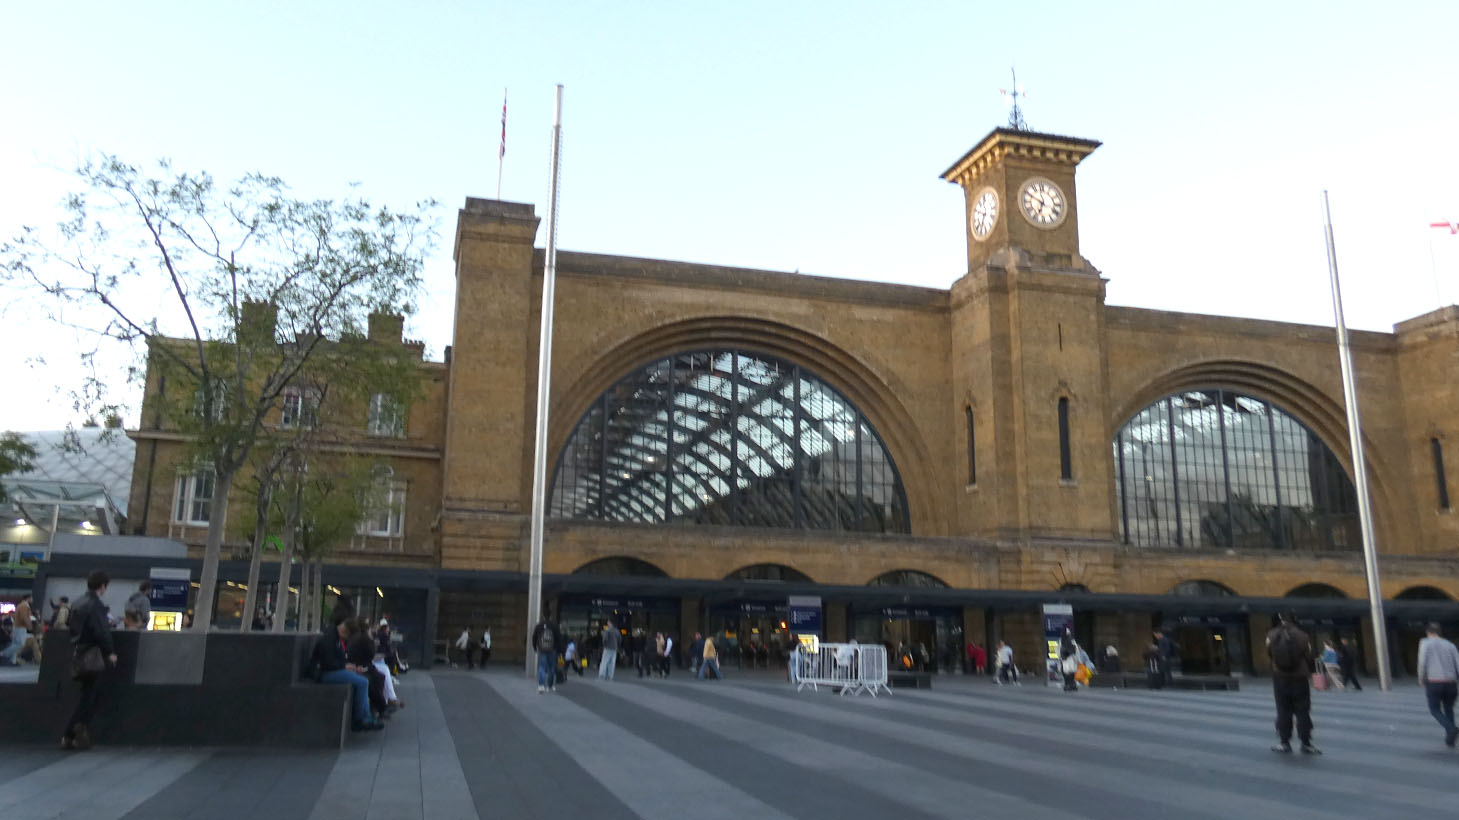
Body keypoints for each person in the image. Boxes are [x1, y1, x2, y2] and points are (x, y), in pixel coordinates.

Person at [61, 570, 119, 750]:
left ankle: (70, 735)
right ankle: (72, 731)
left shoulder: (78, 602)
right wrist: (110, 651)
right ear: (102, 586)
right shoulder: (96, 605)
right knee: (89, 697)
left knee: (86, 694)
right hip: (92, 655)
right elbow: (101, 631)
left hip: (79, 653)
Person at [312, 612, 383, 731]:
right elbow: (328, 664)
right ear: (346, 632)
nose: (347, 640)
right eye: (348, 637)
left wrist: (348, 666)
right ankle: (361, 718)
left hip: (330, 671)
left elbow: (336, 660)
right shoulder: (329, 639)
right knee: (363, 682)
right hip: (324, 674)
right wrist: (345, 667)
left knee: (362, 679)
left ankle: (366, 716)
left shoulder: (334, 637)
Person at [1265, 612, 1319, 754]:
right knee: (1303, 710)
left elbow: (1269, 653)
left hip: (1280, 677)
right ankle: (1306, 742)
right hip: (1299, 677)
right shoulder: (1303, 635)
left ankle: (1284, 742)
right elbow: (1309, 655)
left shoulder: (1271, 635)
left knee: (1283, 709)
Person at [1415, 622, 1459, 748]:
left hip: (1434, 682)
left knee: (1434, 709)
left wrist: (1421, 678)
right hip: (1451, 683)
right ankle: (1450, 740)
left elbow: (1422, 662)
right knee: (1449, 708)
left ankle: (1451, 729)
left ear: (1428, 632)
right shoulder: (1450, 645)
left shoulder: (1425, 643)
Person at [530, 611, 561, 693]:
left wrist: (535, 647)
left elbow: (534, 637)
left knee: (542, 667)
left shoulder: (539, 626)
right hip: (552, 649)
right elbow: (558, 638)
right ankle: (550, 685)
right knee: (552, 667)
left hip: (542, 649)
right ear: (550, 617)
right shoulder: (554, 626)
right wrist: (557, 648)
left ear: (543, 616)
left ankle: (541, 685)